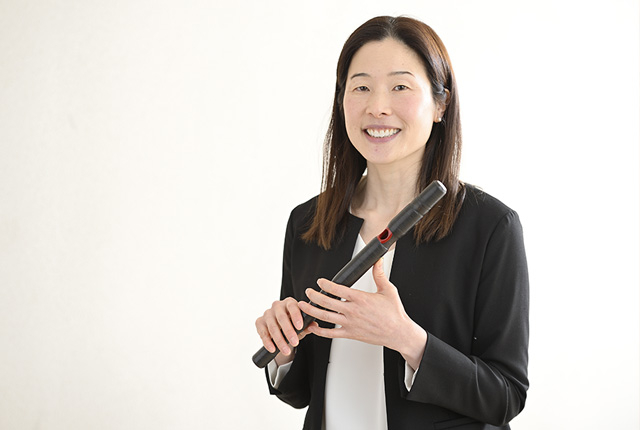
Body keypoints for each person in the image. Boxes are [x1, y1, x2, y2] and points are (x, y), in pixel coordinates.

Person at [255, 15, 529, 430]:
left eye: (400, 86)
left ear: (440, 104)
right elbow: (303, 393)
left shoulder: (491, 226)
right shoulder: (307, 222)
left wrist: (406, 338)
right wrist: (285, 350)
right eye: (360, 86)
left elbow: (505, 395)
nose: (376, 106)